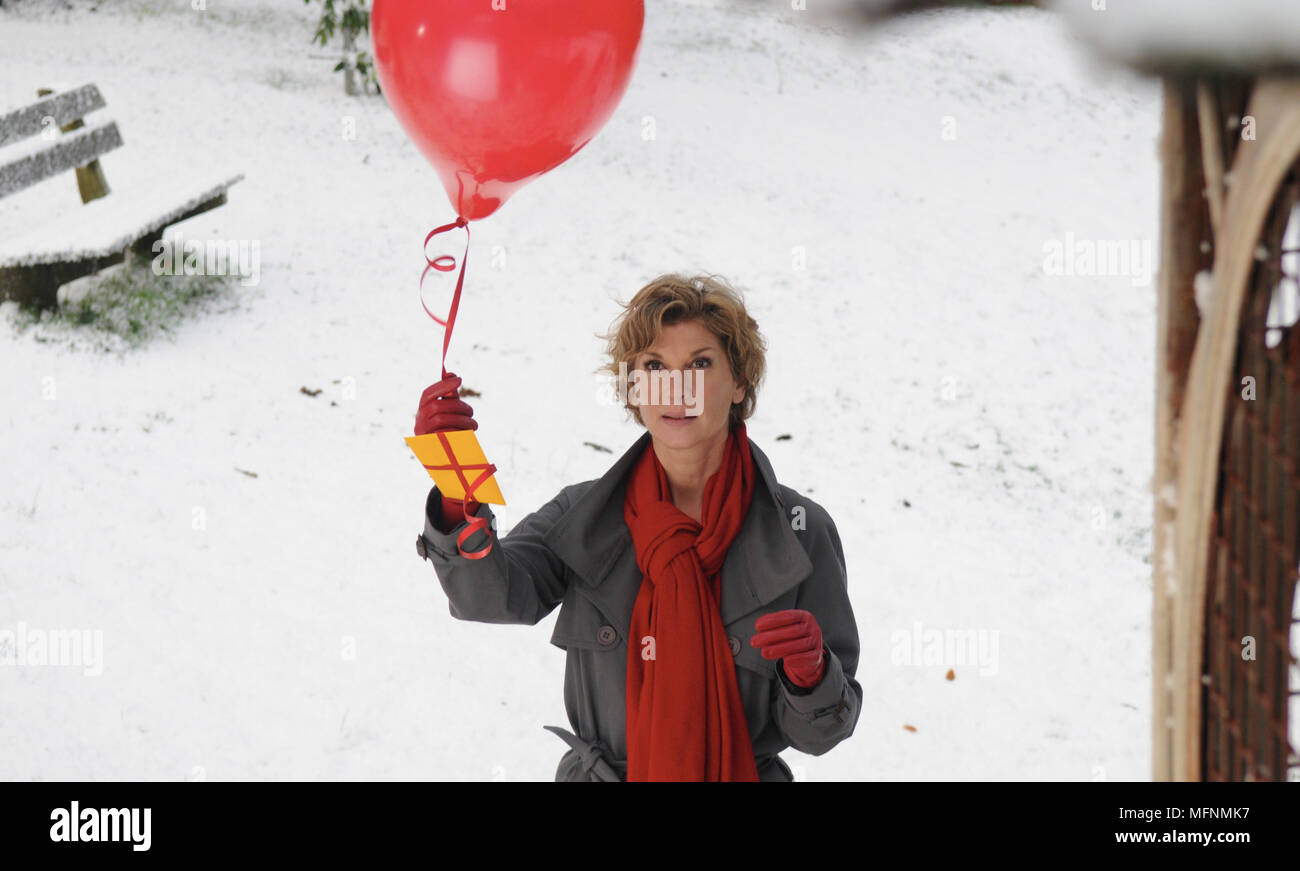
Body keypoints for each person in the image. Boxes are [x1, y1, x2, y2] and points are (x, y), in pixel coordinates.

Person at [413, 273, 862, 781]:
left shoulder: (800, 532)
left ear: (739, 383)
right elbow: (490, 598)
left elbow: (821, 734)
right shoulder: (584, 515)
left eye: (700, 363)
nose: (676, 387)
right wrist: (454, 483)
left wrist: (813, 679)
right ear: (634, 387)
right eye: (654, 365)